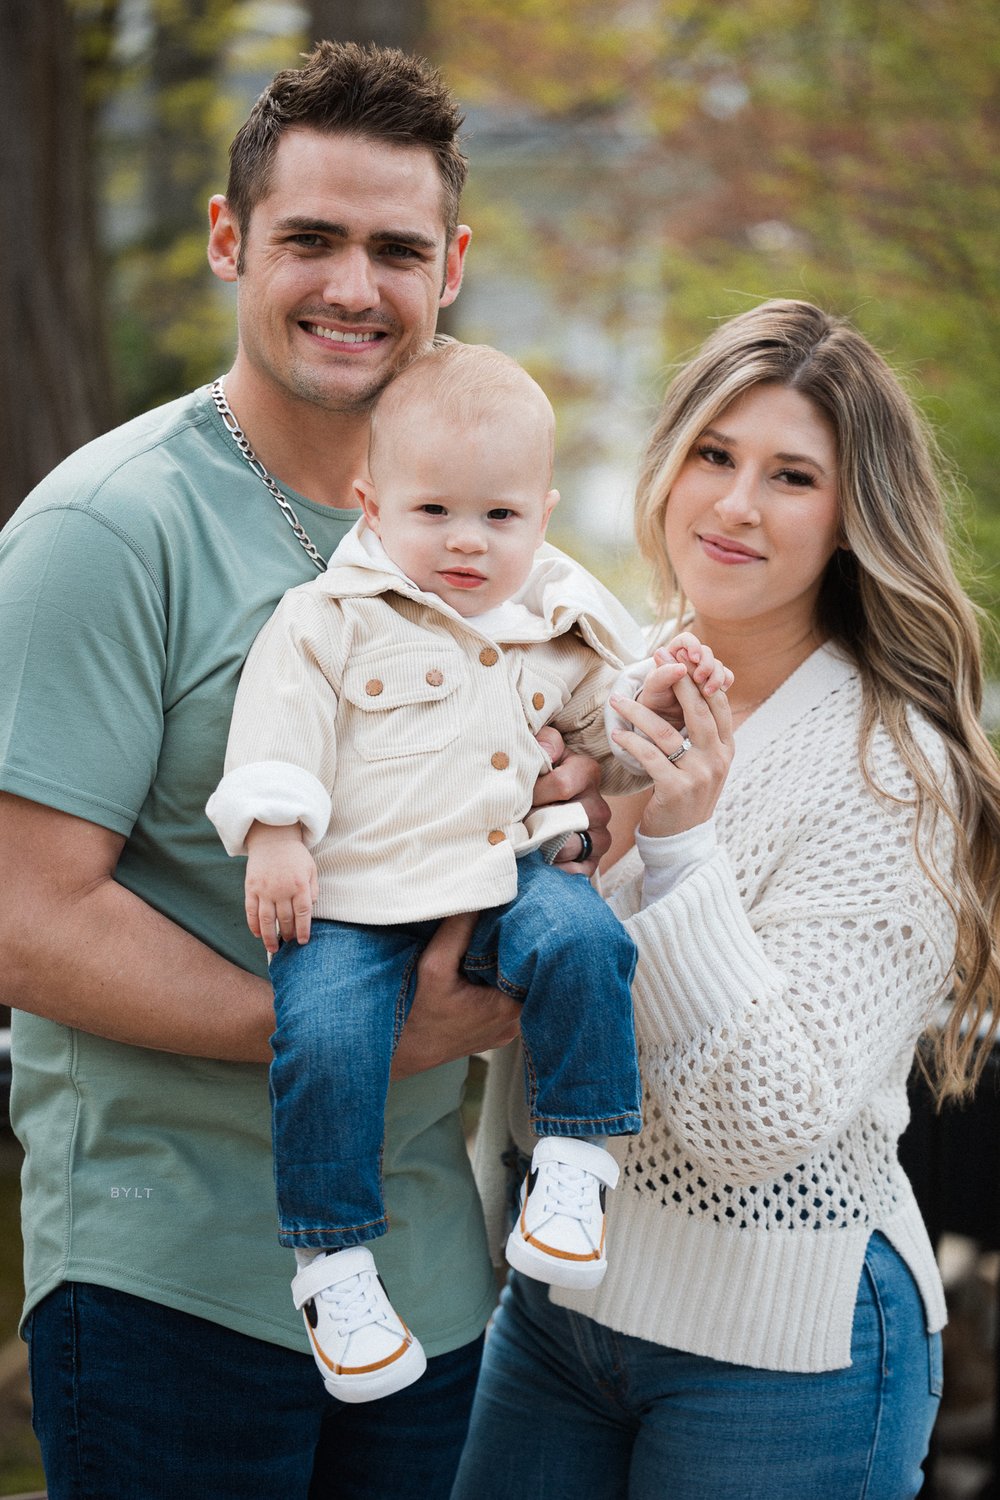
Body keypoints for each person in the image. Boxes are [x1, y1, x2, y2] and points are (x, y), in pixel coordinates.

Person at [0, 42, 616, 1500]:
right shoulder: (106, 530)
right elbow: (26, 914)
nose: (356, 284)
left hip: (435, 1276)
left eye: (396, 247)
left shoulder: (482, 542)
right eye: (311, 239)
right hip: (170, 1276)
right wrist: (371, 1040)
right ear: (231, 242)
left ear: (451, 266)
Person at [453, 299, 1000, 1500]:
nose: (736, 505)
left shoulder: (892, 772)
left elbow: (767, 1119)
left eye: (792, 476)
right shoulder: (605, 684)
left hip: (783, 1347)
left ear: (852, 521)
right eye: (714, 454)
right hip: (554, 1309)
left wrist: (687, 851)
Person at [206, 340, 728, 1404]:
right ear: (372, 504)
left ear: (538, 514)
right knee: (327, 1034)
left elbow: (612, 739)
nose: (465, 541)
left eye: (497, 517)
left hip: (507, 874)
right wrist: (274, 832)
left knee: (585, 939)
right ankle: (334, 1263)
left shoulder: (558, 621)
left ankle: (576, 1163)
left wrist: (664, 694)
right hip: (359, 896)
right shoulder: (332, 617)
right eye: (433, 511)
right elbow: (278, 727)